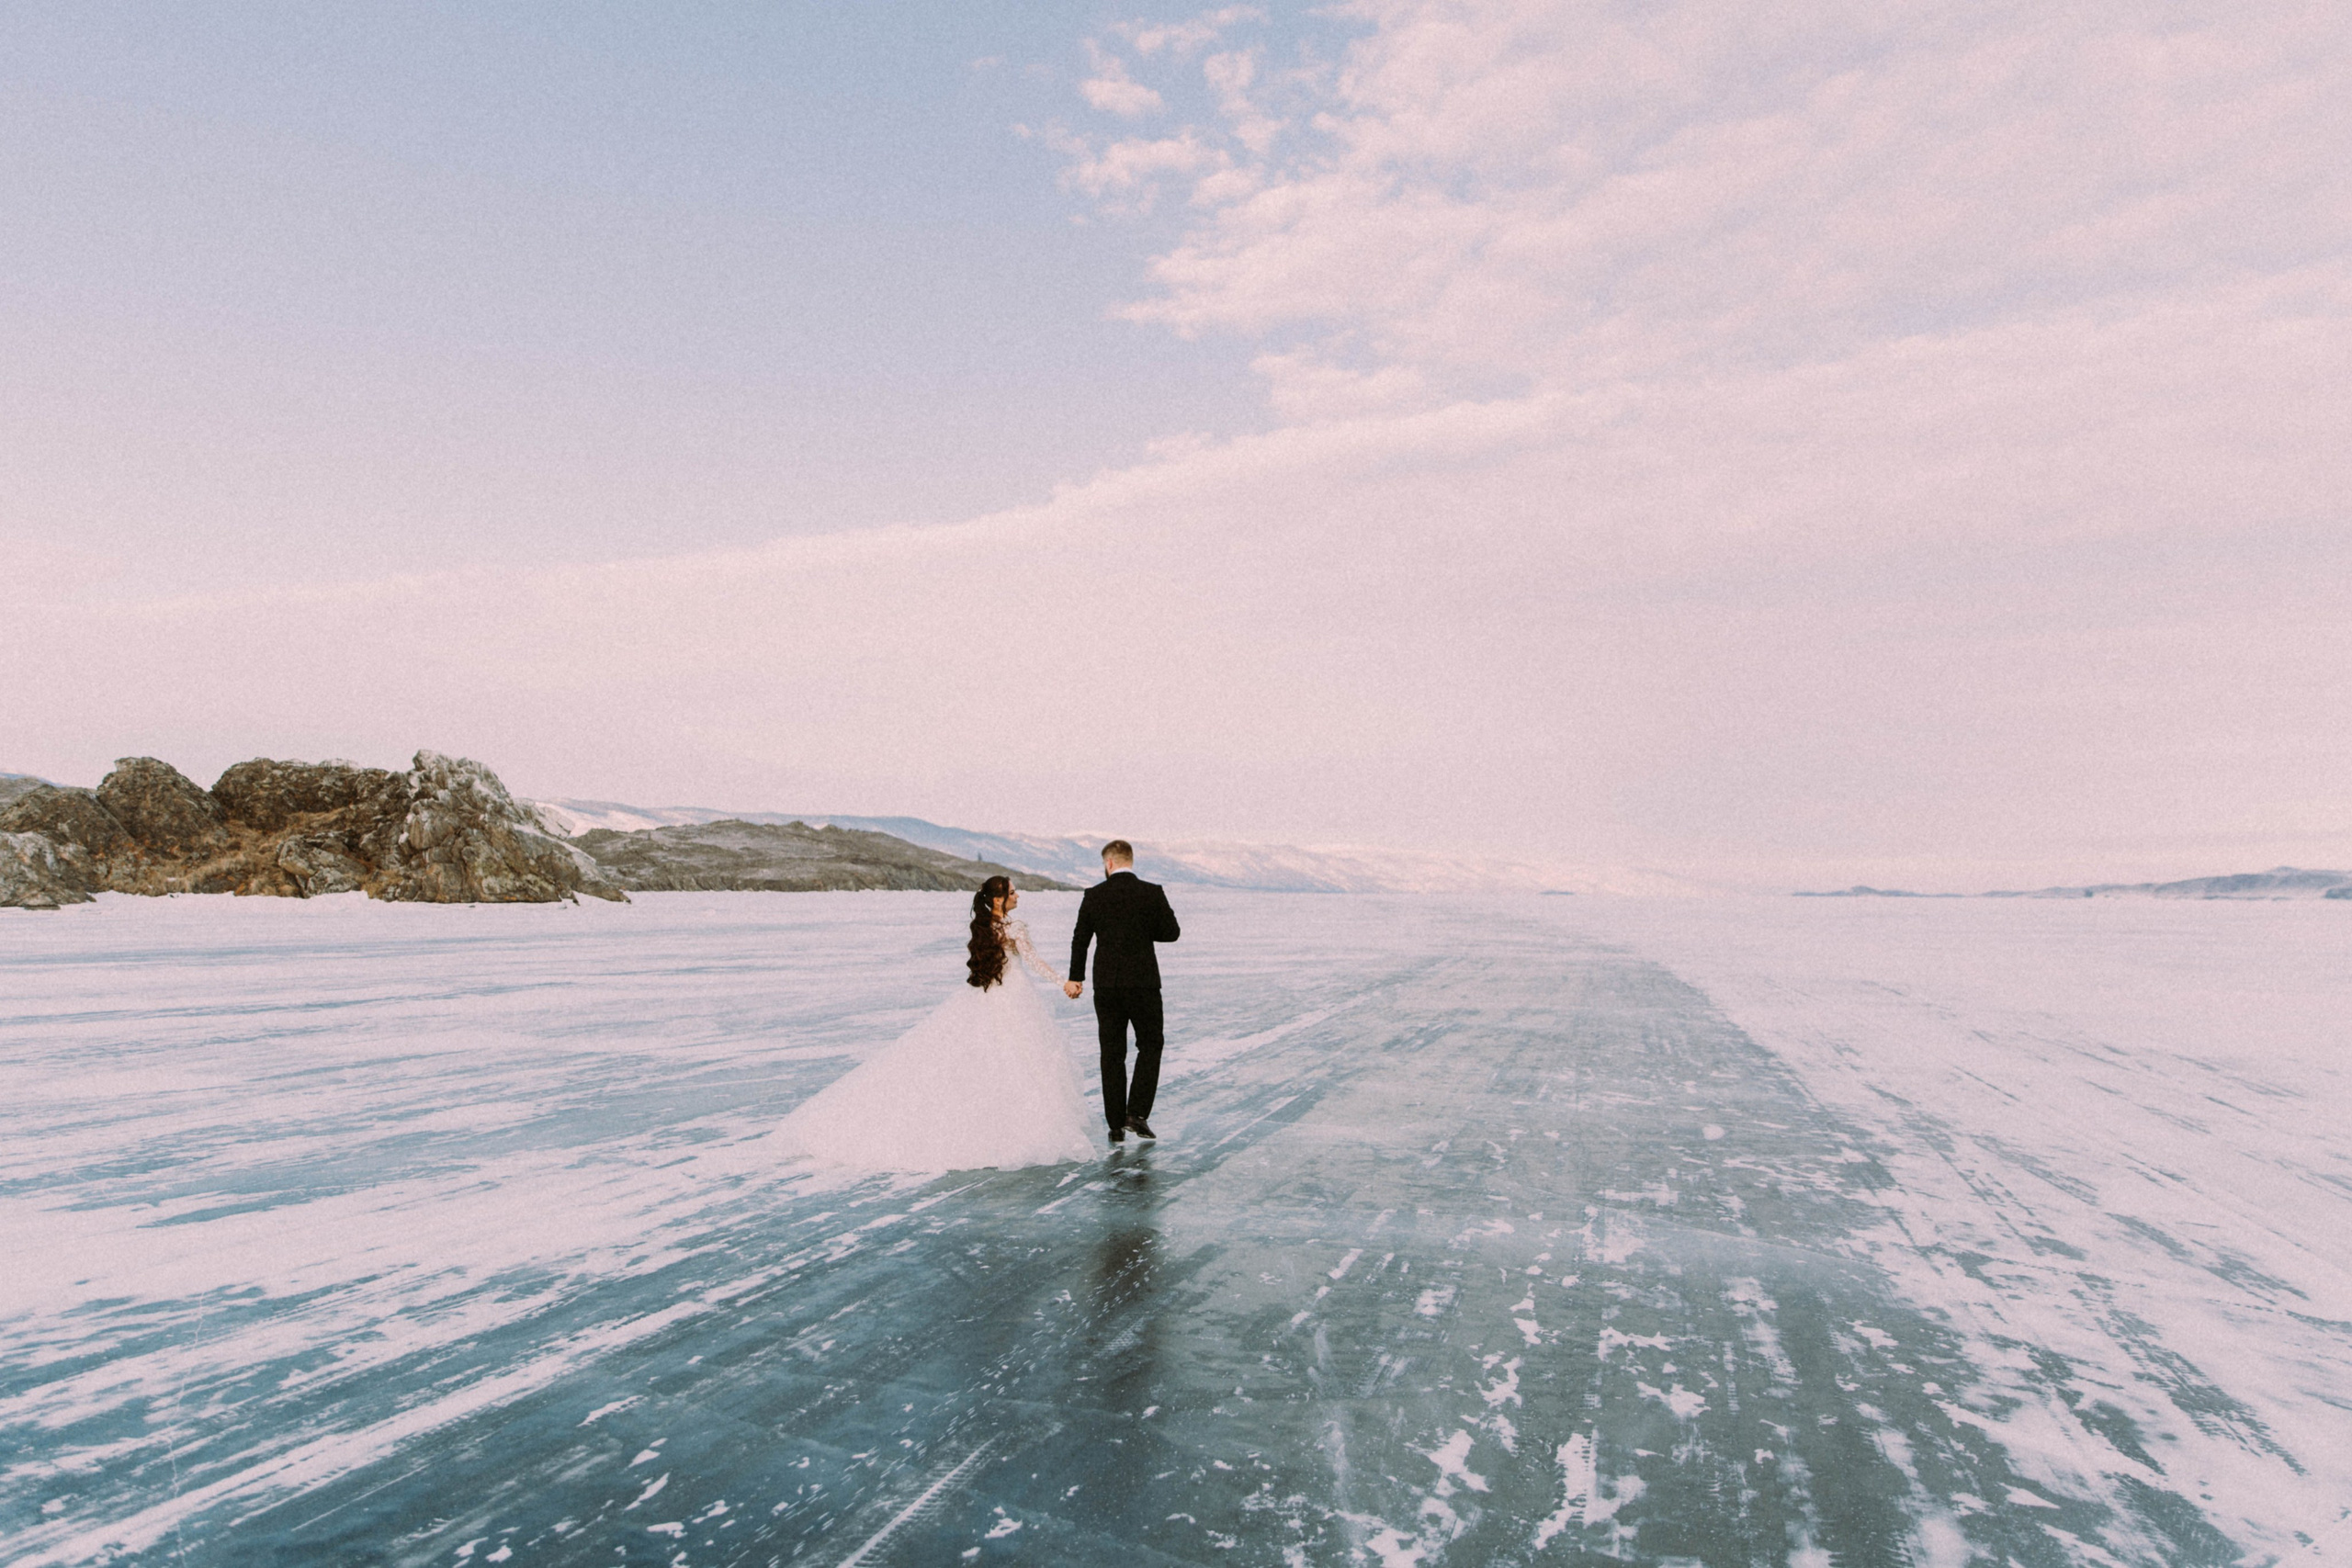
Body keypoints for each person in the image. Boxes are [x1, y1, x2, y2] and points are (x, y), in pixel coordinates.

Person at [772, 876, 1095, 1171]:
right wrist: (1063, 982)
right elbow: (1035, 961)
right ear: (998, 900)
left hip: (989, 995)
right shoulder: (1014, 928)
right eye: (1012, 892)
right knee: (1017, 1058)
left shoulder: (984, 929)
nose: (1017, 895)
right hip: (1014, 997)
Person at [1065, 840, 1182, 1145]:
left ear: (1109, 864)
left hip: (1107, 985)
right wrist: (1142, 928)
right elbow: (1172, 933)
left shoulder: (1094, 895)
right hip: (1143, 983)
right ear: (1130, 860)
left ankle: (1115, 1124)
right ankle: (1137, 1113)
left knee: (1112, 1053)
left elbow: (1081, 938)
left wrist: (1075, 977)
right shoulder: (1152, 892)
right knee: (1151, 1044)